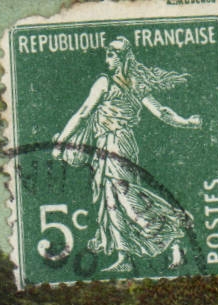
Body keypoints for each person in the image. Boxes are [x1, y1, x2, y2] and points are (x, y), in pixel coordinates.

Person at [51, 38, 202, 274]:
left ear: (122, 58)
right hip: (119, 145)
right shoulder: (136, 84)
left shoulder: (105, 82)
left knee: (126, 199)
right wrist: (187, 122)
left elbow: (83, 113)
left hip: (113, 145)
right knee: (112, 200)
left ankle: (172, 238)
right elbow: (162, 113)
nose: (107, 60)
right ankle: (125, 257)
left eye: (111, 55)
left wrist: (61, 141)